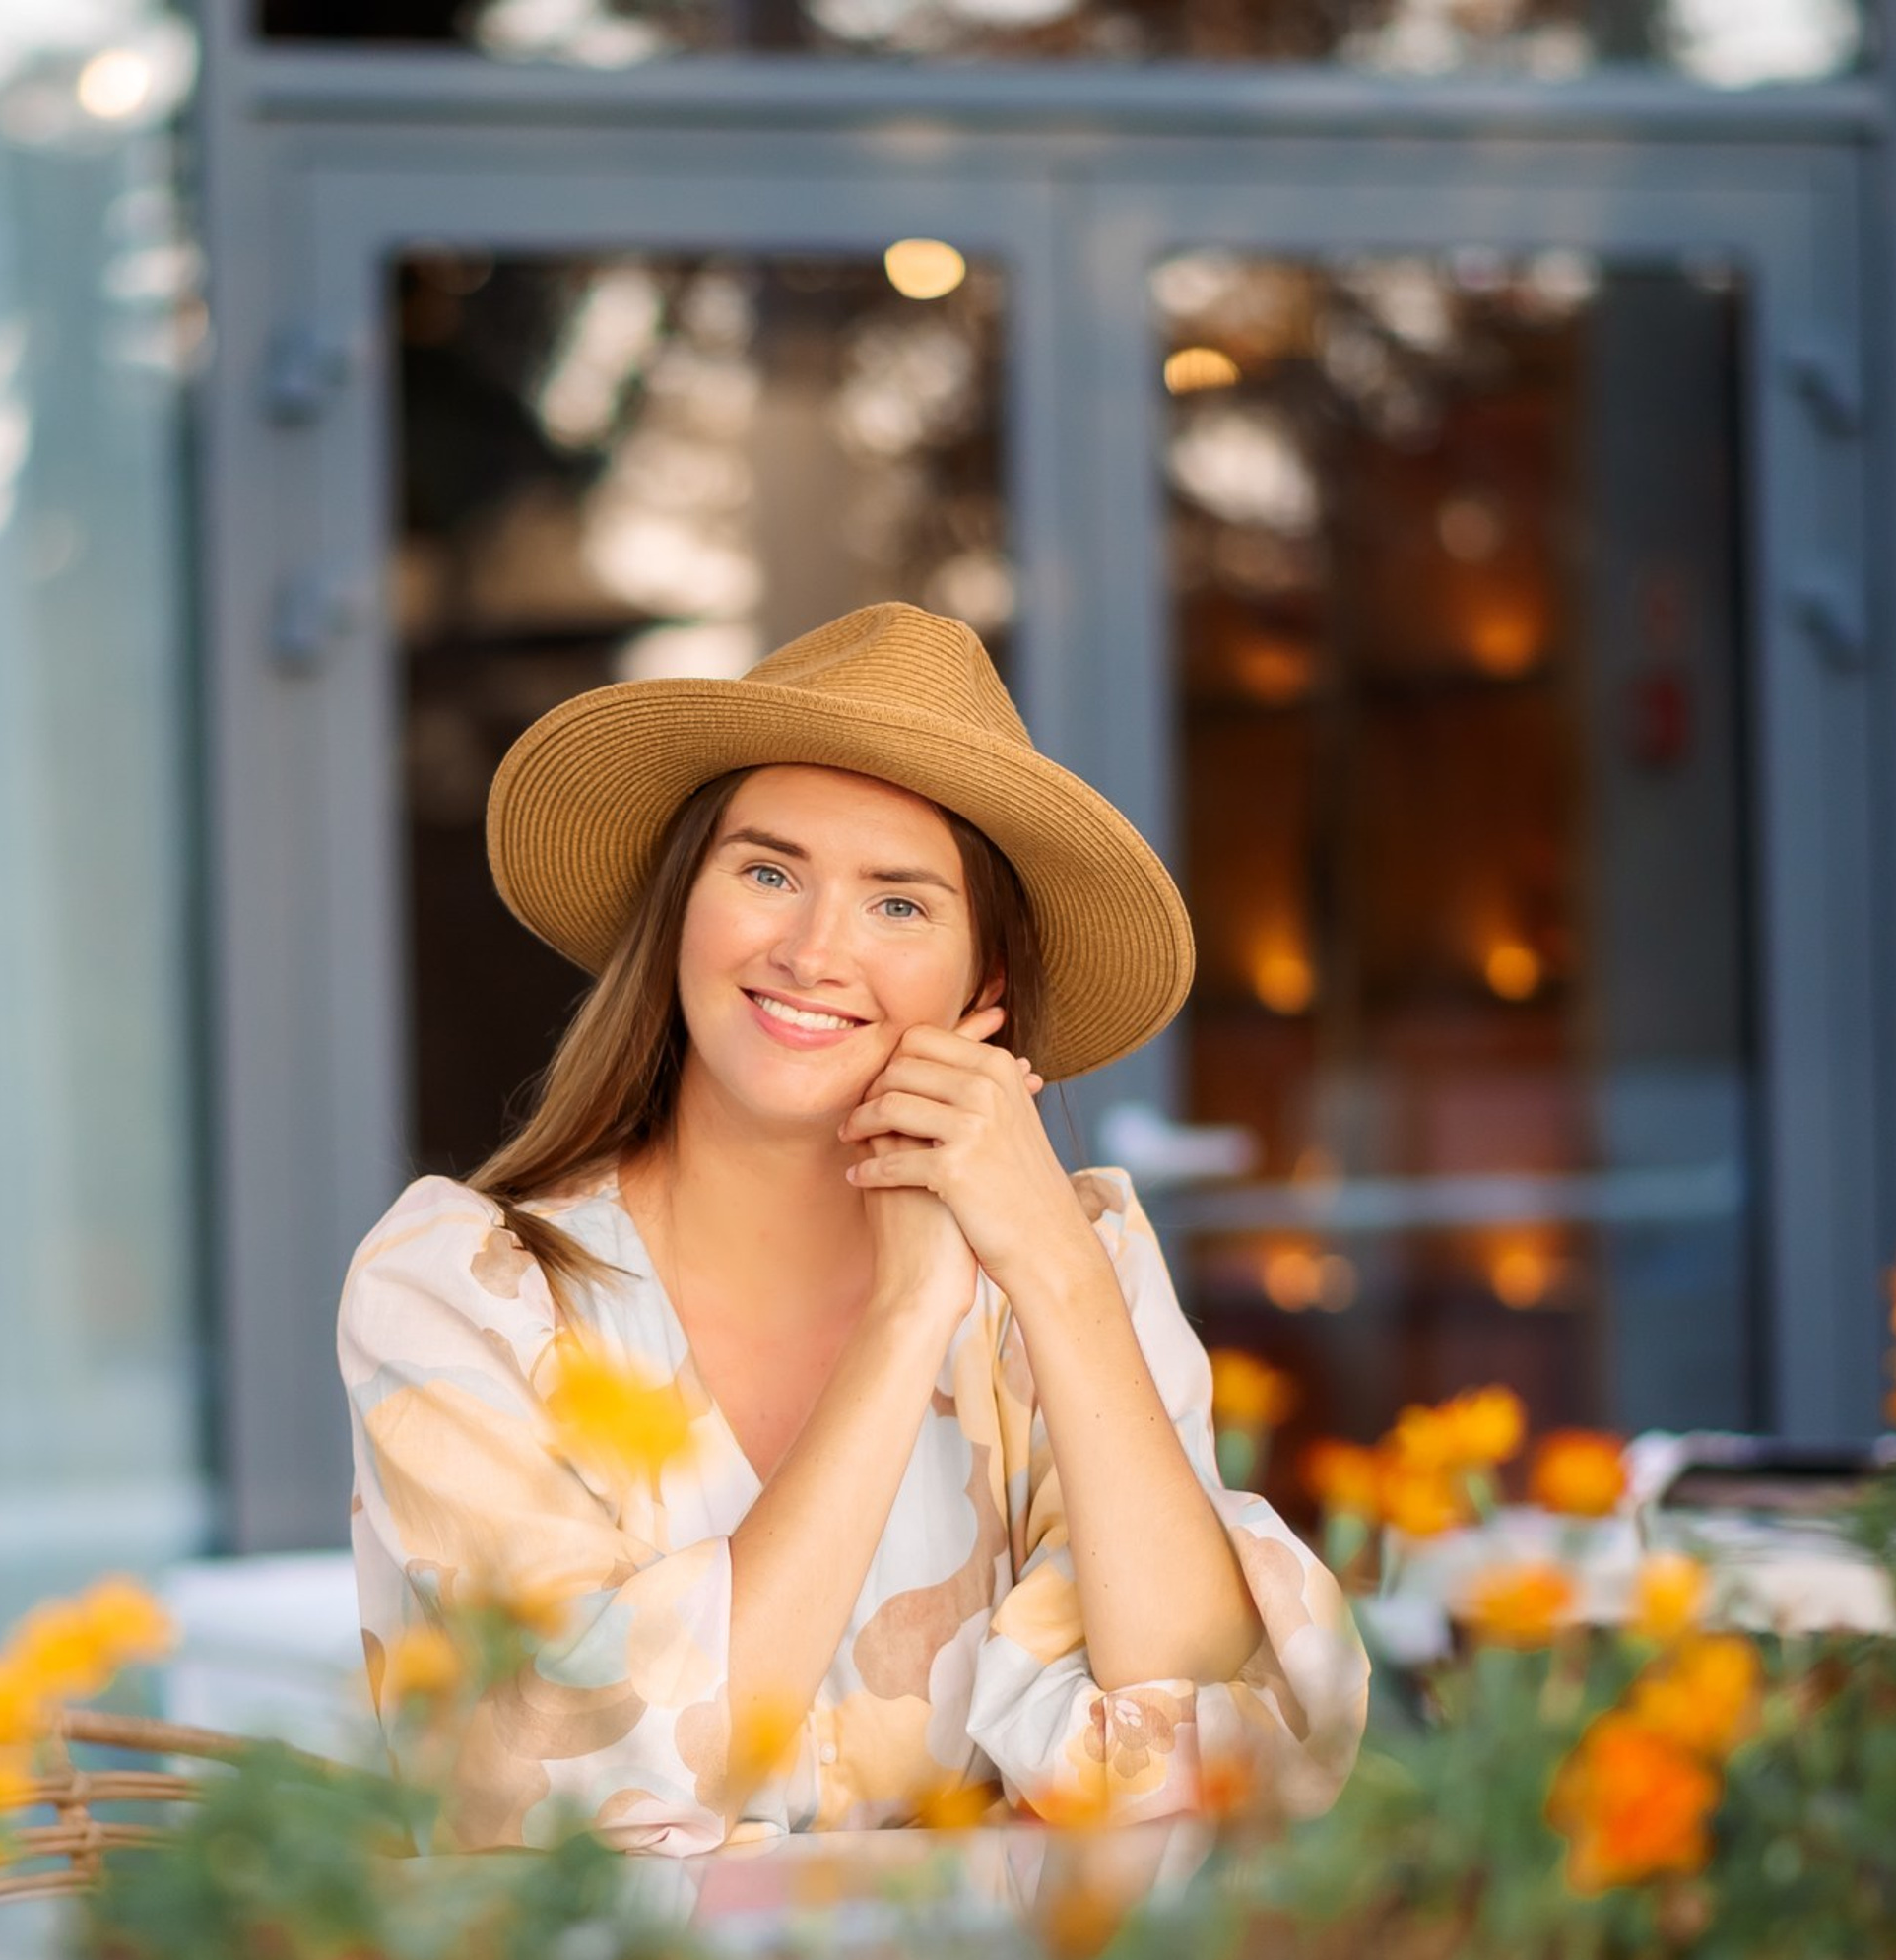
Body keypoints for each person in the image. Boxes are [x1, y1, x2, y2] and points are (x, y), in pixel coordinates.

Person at [339, 602, 1367, 1862]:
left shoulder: (1060, 1285)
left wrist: (1049, 1260)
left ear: (983, 990)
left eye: (899, 905)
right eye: (767, 873)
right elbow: (573, 1777)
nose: (815, 950)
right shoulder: (462, 1290)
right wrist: (901, 1321)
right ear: (679, 918)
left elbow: (1222, 1746)